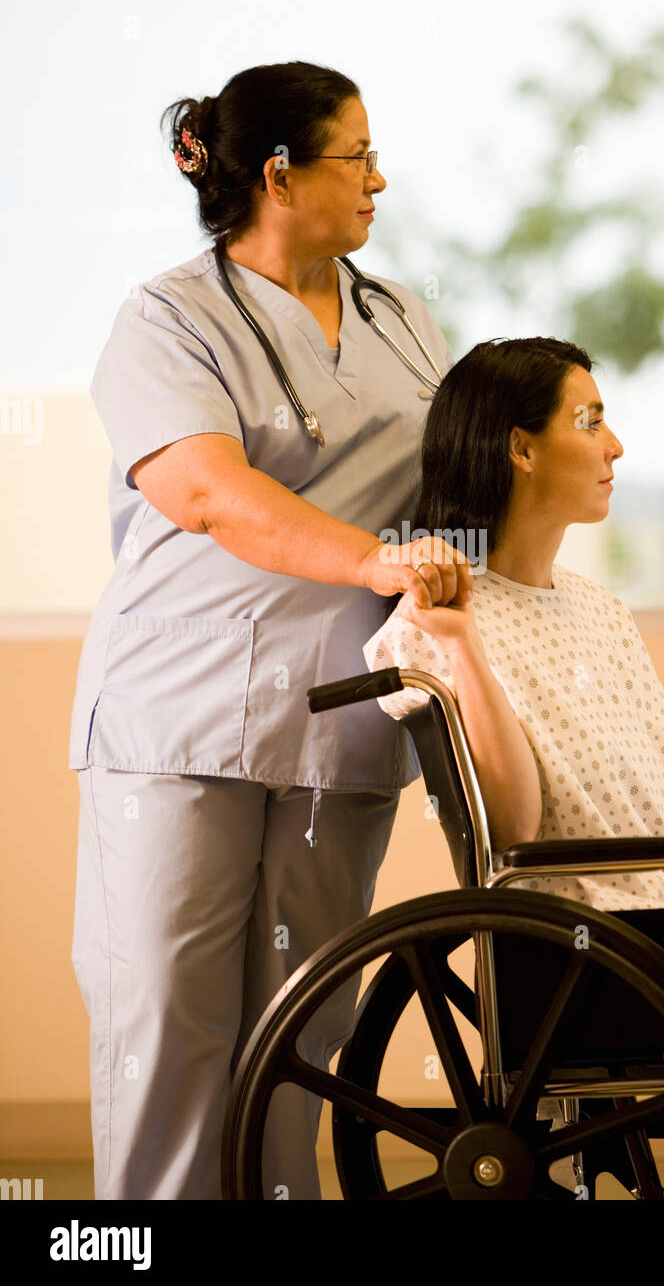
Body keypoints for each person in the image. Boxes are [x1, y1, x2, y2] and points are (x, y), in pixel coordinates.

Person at [68, 60, 473, 1200]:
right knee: (171, 1029)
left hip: (339, 724)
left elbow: (449, 493)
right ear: (281, 173)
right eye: (358, 155)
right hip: (179, 723)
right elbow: (202, 490)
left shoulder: (400, 317)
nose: (379, 179)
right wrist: (369, 557)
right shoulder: (168, 317)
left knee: (298, 1038)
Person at [361, 336, 664, 1199]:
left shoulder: (600, 610)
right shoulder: (432, 626)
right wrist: (463, 648)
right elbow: (514, 833)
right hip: (596, 959)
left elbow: (661, 792)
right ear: (519, 448)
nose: (615, 445)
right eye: (589, 420)